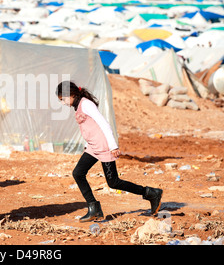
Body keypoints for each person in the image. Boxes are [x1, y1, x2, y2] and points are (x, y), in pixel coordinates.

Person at [56, 81, 163, 222]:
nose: (63, 103)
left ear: (72, 94)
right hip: (93, 147)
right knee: (78, 173)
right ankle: (94, 208)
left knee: (113, 182)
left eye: (63, 99)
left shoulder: (86, 104)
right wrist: (87, 144)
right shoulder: (78, 106)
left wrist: (113, 146)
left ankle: (151, 193)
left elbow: (103, 124)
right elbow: (90, 128)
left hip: (104, 147)